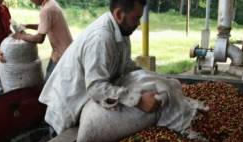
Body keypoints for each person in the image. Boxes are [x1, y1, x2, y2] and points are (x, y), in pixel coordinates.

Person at [39, 0, 160, 134]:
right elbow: (96, 88)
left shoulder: (121, 30)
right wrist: (138, 101)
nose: (138, 24)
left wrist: (152, 79)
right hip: (67, 111)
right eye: (136, 18)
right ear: (119, 14)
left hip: (82, 107)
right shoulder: (100, 38)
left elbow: (125, 64)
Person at [13, 0, 72, 81]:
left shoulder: (46, 10)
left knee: (50, 84)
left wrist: (20, 36)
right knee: (53, 81)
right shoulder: (51, 3)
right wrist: (27, 26)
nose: (31, 1)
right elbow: (45, 24)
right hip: (65, 51)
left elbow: (39, 38)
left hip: (62, 55)